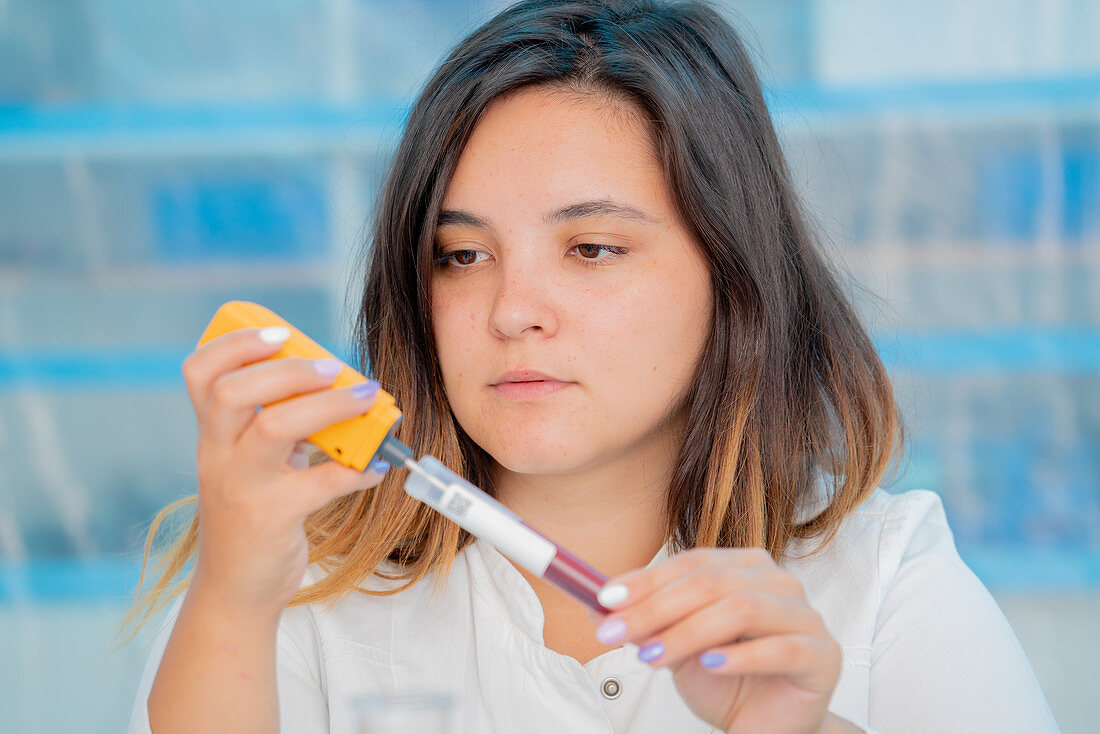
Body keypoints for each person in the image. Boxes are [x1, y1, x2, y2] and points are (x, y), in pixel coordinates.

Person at [117, 1, 1060, 732]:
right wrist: (236, 593)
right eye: (462, 255)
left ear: (732, 275)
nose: (511, 310)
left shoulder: (882, 576)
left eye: (594, 249)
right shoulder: (293, 583)